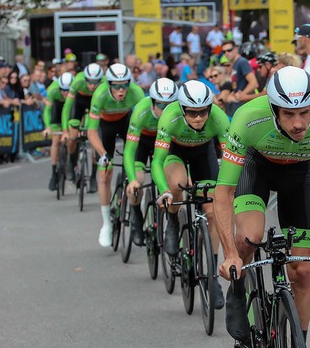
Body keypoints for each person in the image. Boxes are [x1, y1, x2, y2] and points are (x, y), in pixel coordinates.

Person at [214, 66, 310, 346]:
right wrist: (229, 255)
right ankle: (238, 290)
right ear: (274, 110)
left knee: (301, 270)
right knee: (248, 239)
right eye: (289, 114)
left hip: (299, 176)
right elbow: (224, 191)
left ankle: (301, 340)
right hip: (257, 169)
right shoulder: (248, 118)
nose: (299, 123)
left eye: (304, 113)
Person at [151, 80, 230, 309]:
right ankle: (173, 221)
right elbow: (157, 161)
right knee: (177, 184)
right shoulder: (169, 116)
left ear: (210, 108)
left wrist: (229, 189)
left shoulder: (219, 118)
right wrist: (164, 190)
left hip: (203, 155)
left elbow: (230, 159)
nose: (198, 118)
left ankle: (212, 276)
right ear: (182, 109)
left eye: (203, 112)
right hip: (176, 153)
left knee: (213, 210)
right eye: (192, 113)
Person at [87, 63, 145, 248]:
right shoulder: (100, 94)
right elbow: (92, 132)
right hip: (106, 128)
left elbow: (143, 122)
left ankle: (135, 209)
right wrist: (103, 154)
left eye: (125, 84)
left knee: (135, 170)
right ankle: (106, 224)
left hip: (128, 122)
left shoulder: (136, 93)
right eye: (116, 85)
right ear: (108, 84)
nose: (121, 90)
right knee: (104, 173)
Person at [123, 78, 178, 246]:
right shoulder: (141, 111)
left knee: (173, 183)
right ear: (153, 102)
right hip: (143, 143)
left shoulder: (176, 113)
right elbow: (129, 151)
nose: (166, 109)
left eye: (170, 104)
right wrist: (132, 178)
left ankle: (172, 224)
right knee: (137, 182)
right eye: (161, 104)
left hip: (165, 144)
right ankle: (136, 215)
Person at [61, 63, 104, 192]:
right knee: (72, 136)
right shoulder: (77, 82)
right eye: (89, 82)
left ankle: (93, 177)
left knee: (96, 140)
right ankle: (72, 162)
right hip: (79, 102)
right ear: (85, 79)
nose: (91, 85)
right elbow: (67, 107)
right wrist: (64, 131)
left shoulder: (105, 84)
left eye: (95, 82)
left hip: (95, 103)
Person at [43, 72, 74, 191]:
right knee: (55, 140)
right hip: (57, 109)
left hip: (71, 109)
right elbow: (47, 110)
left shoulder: (75, 90)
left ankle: (72, 161)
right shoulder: (52, 90)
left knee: (72, 139)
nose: (65, 93)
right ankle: (54, 173)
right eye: (63, 90)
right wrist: (48, 127)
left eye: (68, 90)